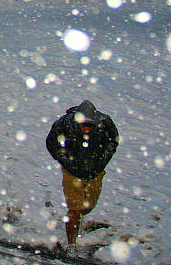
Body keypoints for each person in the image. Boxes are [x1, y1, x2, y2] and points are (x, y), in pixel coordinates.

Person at [46, 100, 119, 247]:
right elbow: (51, 142)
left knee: (88, 206)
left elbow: (113, 140)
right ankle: (71, 244)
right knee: (75, 208)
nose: (86, 128)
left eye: (89, 126)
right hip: (72, 172)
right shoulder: (65, 123)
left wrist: (101, 161)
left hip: (95, 172)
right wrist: (67, 161)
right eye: (83, 125)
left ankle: (76, 219)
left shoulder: (105, 122)